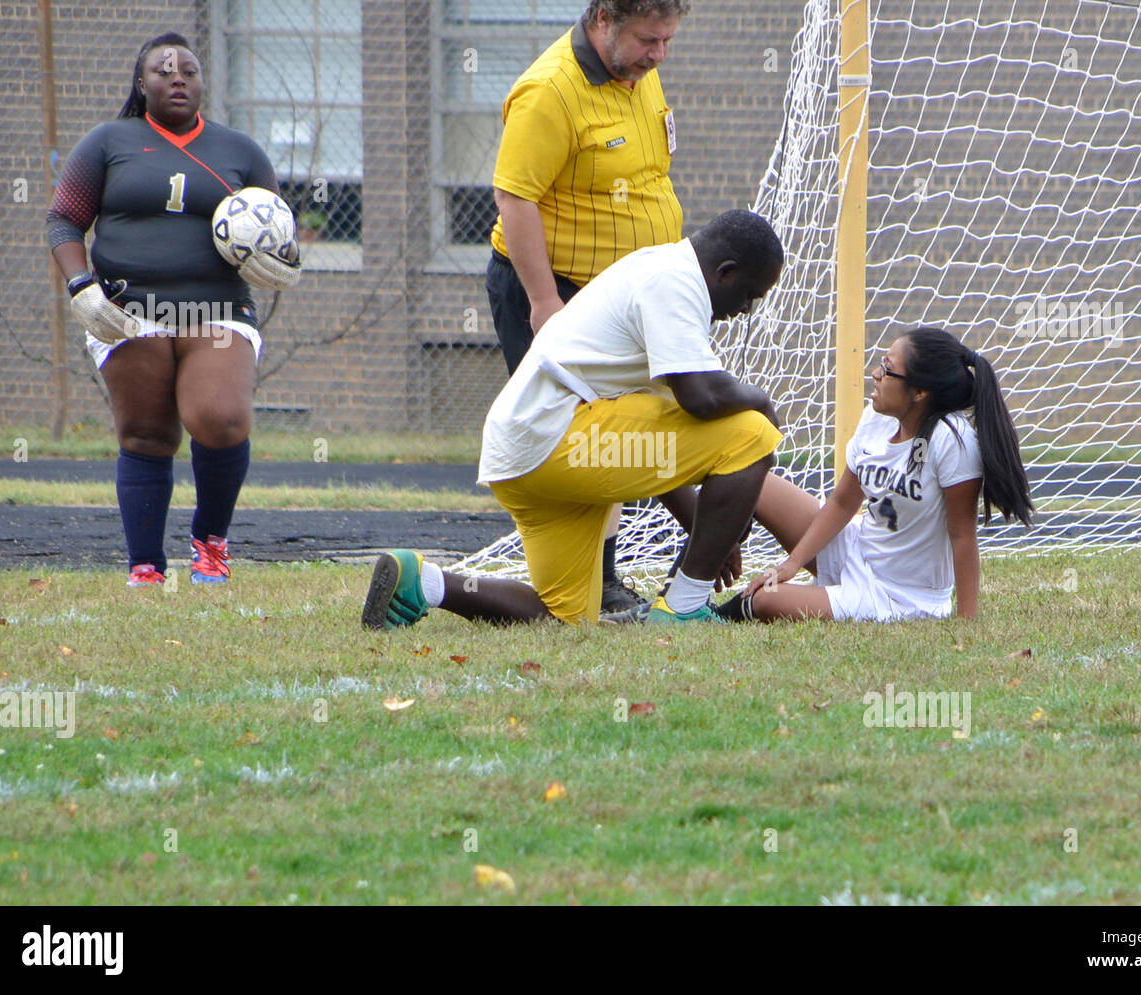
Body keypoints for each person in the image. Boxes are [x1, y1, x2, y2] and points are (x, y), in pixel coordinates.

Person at [362, 209, 783, 629]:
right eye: (749, 294)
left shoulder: (658, 268)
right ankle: (684, 607)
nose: (745, 309)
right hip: (563, 439)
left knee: (565, 616)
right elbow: (702, 398)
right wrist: (764, 403)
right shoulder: (674, 282)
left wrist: (706, 531)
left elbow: (654, 443)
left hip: (525, 453)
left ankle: (425, 582)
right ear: (726, 272)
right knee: (750, 432)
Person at [46, 32, 299, 587]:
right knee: (146, 435)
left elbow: (278, 230)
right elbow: (64, 219)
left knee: (221, 419)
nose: (177, 76)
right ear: (142, 85)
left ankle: (211, 542)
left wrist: (282, 262)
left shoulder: (240, 151)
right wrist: (81, 286)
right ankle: (145, 566)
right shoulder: (108, 141)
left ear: (204, 82)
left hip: (217, 308)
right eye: (163, 70)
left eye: (188, 69)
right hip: (127, 309)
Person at [487, 0, 690, 613]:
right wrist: (546, 301)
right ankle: (590, 583)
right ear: (603, 18)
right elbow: (513, 198)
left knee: (622, 432)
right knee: (581, 440)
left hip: (624, 296)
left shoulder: (637, 71)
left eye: (666, 41)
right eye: (648, 40)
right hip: (563, 291)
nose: (658, 55)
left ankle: (604, 575)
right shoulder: (550, 90)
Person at [712, 327, 1033, 622]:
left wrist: (967, 622)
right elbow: (841, 503)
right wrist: (790, 565)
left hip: (898, 595)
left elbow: (963, 535)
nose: (876, 374)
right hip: (858, 548)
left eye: (888, 368)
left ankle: (712, 617)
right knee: (754, 483)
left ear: (919, 392)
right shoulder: (877, 418)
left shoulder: (952, 440)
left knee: (762, 601)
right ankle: (686, 588)